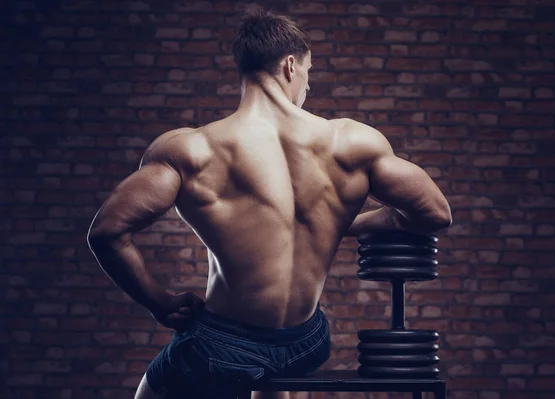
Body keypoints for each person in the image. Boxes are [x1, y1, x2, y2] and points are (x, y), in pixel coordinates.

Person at [87, 7, 452, 399]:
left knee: (153, 390)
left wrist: (158, 302)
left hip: (221, 350)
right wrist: (348, 222)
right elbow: (434, 213)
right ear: (291, 66)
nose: (308, 87)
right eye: (310, 74)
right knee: (268, 372)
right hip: (307, 343)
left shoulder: (193, 149)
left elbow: (108, 232)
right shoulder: (352, 143)